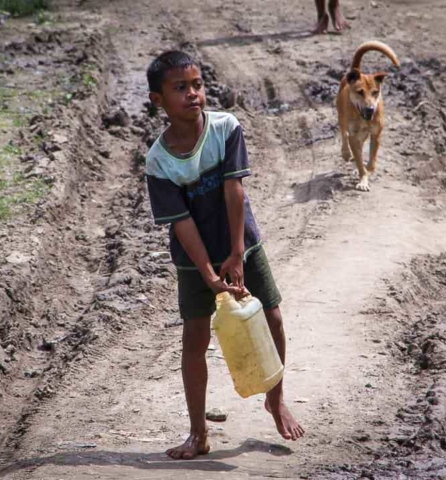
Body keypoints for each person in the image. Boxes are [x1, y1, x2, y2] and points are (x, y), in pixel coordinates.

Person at [145, 51, 305, 460]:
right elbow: (181, 222)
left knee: (271, 317)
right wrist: (207, 271)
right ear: (157, 100)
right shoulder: (158, 161)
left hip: (243, 243)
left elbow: (235, 190)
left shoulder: (226, 128)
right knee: (195, 339)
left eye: (197, 85)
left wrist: (236, 253)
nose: (193, 94)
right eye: (180, 88)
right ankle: (198, 433)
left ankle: (276, 397)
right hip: (192, 259)